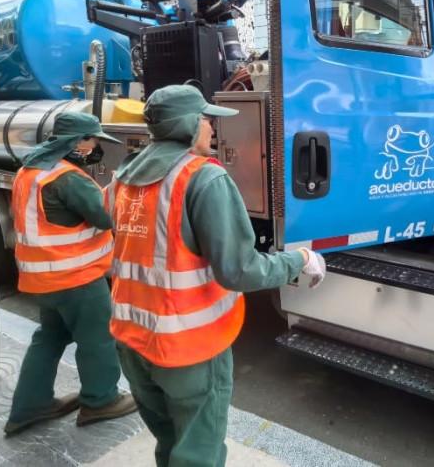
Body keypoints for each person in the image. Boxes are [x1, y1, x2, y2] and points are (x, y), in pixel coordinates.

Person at [106, 85, 325, 466]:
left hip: (131, 343)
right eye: (206, 119)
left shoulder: (123, 178)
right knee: (198, 455)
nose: (212, 127)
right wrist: (299, 260)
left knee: (170, 442)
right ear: (188, 125)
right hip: (187, 350)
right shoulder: (203, 179)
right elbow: (239, 270)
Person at [5, 112, 138, 436]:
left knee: (49, 338)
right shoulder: (67, 178)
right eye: (94, 140)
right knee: (99, 337)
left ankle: (30, 405)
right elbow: (106, 216)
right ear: (78, 142)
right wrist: (124, 182)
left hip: (42, 278)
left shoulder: (30, 169)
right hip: (75, 277)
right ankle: (100, 401)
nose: (96, 148)